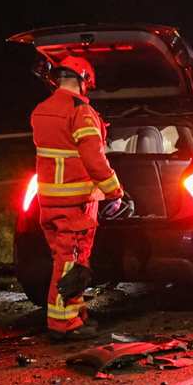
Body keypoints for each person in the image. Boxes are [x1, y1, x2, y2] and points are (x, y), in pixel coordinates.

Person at [30, 55, 132, 341]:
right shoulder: (81, 112)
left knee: (63, 261)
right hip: (75, 204)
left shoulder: (41, 110)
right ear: (84, 81)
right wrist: (115, 190)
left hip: (48, 201)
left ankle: (75, 313)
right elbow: (94, 158)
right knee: (72, 265)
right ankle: (64, 324)